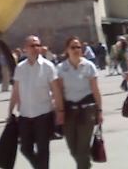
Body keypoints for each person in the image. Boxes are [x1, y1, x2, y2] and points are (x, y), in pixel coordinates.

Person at [8, 34, 64, 169]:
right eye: (32, 45)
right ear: (25, 49)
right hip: (25, 115)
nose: (36, 48)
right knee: (25, 149)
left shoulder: (48, 66)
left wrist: (60, 111)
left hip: (43, 115)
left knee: (43, 149)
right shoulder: (20, 68)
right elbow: (15, 91)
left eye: (38, 45)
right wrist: (10, 111)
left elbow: (56, 91)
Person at [55, 36, 103, 169]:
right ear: (67, 50)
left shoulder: (89, 66)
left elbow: (95, 90)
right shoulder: (60, 68)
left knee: (82, 149)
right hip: (69, 111)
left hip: (87, 110)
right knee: (73, 149)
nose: (76, 49)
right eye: (73, 47)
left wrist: (99, 111)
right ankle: (85, 165)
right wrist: (59, 111)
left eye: (78, 47)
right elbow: (58, 92)